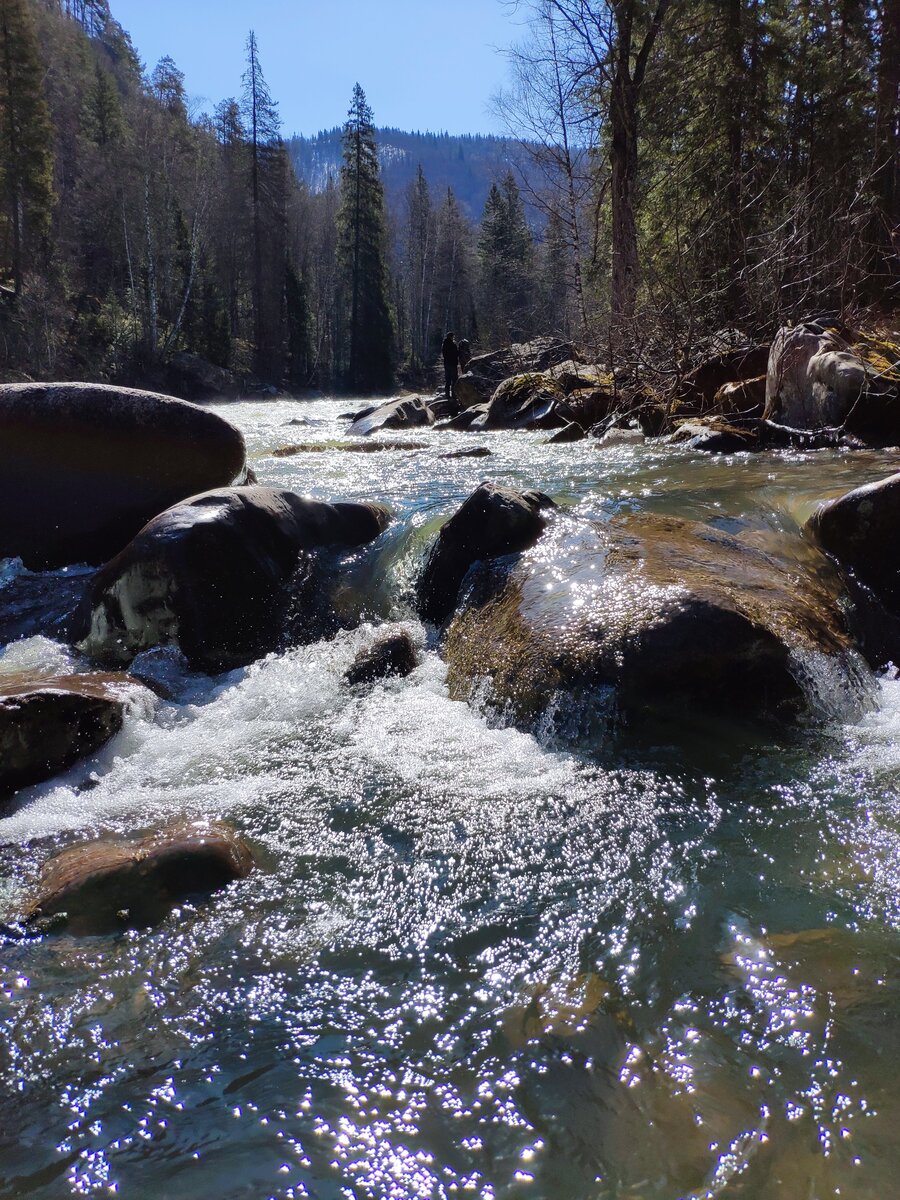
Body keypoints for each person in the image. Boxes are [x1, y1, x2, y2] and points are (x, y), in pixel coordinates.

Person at [441, 331, 459, 398]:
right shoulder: (452, 344)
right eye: (453, 336)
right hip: (453, 364)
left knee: (447, 380)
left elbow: (444, 354)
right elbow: (456, 354)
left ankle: (447, 395)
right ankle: (454, 395)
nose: (453, 338)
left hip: (446, 364)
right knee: (454, 380)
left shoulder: (444, 344)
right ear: (451, 337)